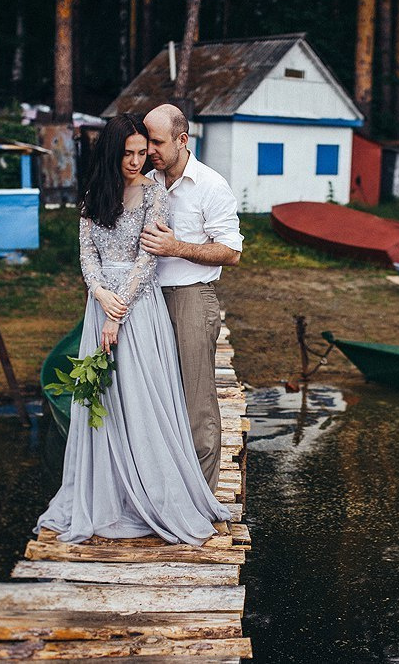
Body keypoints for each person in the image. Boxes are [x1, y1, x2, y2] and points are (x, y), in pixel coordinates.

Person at [34, 113, 230, 547]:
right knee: (105, 398)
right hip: (101, 303)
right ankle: (109, 492)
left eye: (144, 152)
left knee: (143, 397)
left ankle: (158, 491)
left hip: (137, 308)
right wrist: (99, 295)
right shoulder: (93, 195)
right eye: (129, 153)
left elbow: (148, 260)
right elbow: (87, 253)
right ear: (113, 152)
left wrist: (116, 313)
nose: (138, 161)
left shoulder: (154, 193)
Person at [140, 104, 243, 494]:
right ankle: (164, 491)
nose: (150, 150)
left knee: (196, 403)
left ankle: (201, 498)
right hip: (146, 301)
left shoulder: (211, 185)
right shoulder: (145, 182)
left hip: (191, 299)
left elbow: (231, 252)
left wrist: (176, 247)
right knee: (156, 397)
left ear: (182, 140)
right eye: (147, 141)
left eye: (157, 142)